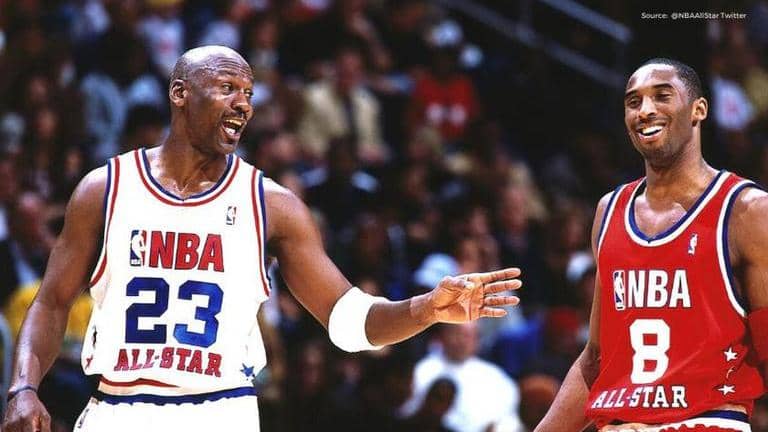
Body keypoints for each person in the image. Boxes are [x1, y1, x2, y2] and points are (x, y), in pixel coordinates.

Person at [1, 45, 522, 432]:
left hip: (220, 409)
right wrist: (23, 386)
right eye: (227, 88)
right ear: (180, 94)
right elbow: (50, 303)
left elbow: (348, 322)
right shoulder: (105, 189)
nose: (243, 104)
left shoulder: (272, 204)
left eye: (248, 94)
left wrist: (425, 309)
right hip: (118, 406)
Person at [535, 58, 768, 432]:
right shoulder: (609, 210)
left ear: (698, 110)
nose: (645, 110)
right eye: (633, 101)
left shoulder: (747, 211)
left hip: (705, 422)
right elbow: (597, 358)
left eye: (662, 96)